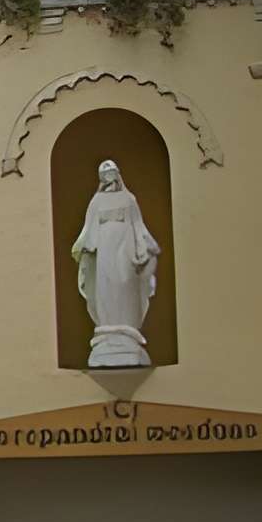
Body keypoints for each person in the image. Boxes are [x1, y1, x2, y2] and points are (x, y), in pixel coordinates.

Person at [71, 157, 161, 369]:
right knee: (106, 289)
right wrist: (85, 246)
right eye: (105, 176)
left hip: (125, 250)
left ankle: (128, 331)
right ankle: (108, 332)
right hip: (104, 253)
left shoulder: (129, 199)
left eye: (111, 174)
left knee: (125, 285)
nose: (109, 179)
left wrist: (144, 246)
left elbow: (138, 226)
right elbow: (89, 229)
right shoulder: (96, 202)